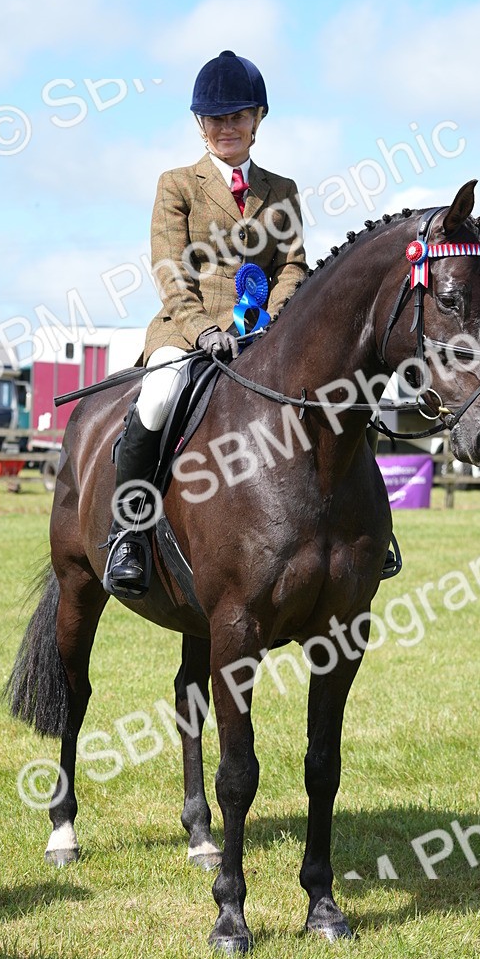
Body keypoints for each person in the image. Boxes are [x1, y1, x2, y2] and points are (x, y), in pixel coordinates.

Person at [106, 50, 307, 597]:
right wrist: (202, 331)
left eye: (237, 116)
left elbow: (292, 263)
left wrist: (276, 319)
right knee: (157, 399)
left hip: (264, 333)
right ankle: (129, 534)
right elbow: (170, 270)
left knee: (329, 390)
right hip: (187, 331)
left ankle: (361, 530)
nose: (226, 128)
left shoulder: (281, 189)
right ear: (200, 125)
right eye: (215, 119)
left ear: (258, 119)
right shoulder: (178, 184)